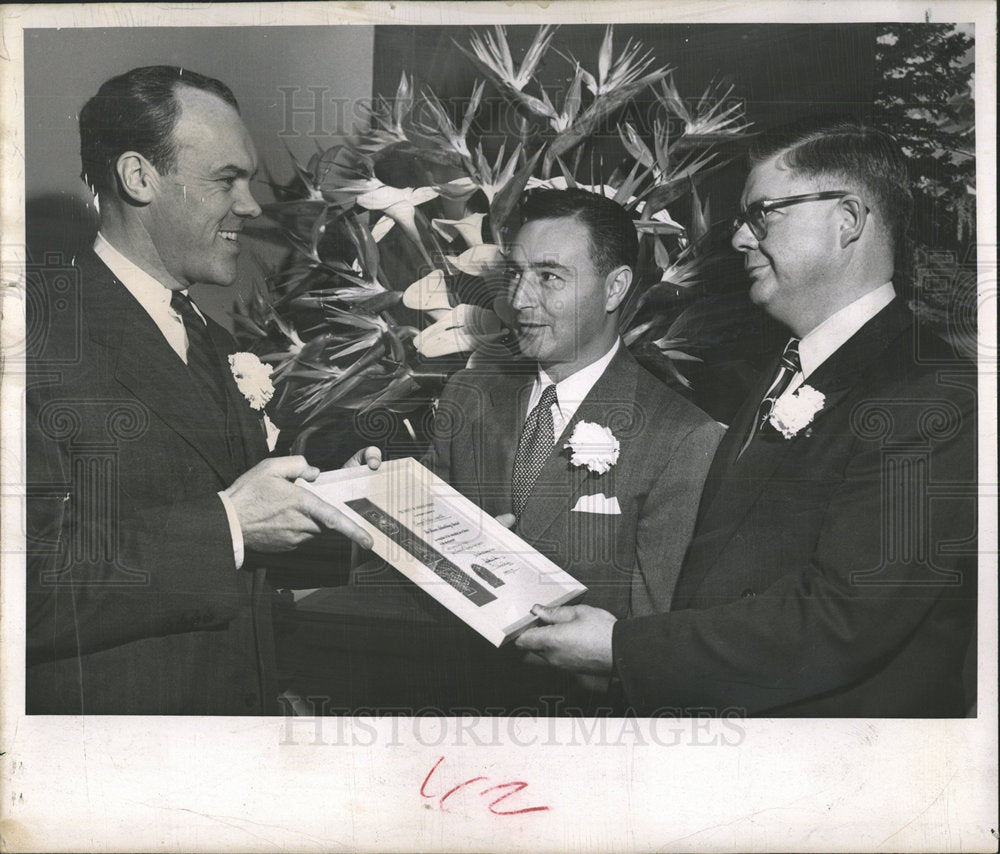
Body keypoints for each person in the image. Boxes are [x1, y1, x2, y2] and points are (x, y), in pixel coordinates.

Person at [516, 120, 978, 717]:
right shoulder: (778, 368)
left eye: (764, 214)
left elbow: (841, 622)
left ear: (848, 221)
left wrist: (620, 648)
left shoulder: (932, 396)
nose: (739, 239)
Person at [25, 65, 375, 715]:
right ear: (138, 178)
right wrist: (231, 523)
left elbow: (243, 556)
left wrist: (340, 509)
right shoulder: (35, 342)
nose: (252, 206)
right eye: (226, 180)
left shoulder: (217, 343)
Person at [320, 188, 722, 713]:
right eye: (516, 274)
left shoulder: (682, 438)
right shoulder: (468, 396)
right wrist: (368, 503)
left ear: (615, 287)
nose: (519, 300)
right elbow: (406, 582)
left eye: (550, 277)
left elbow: (655, 644)